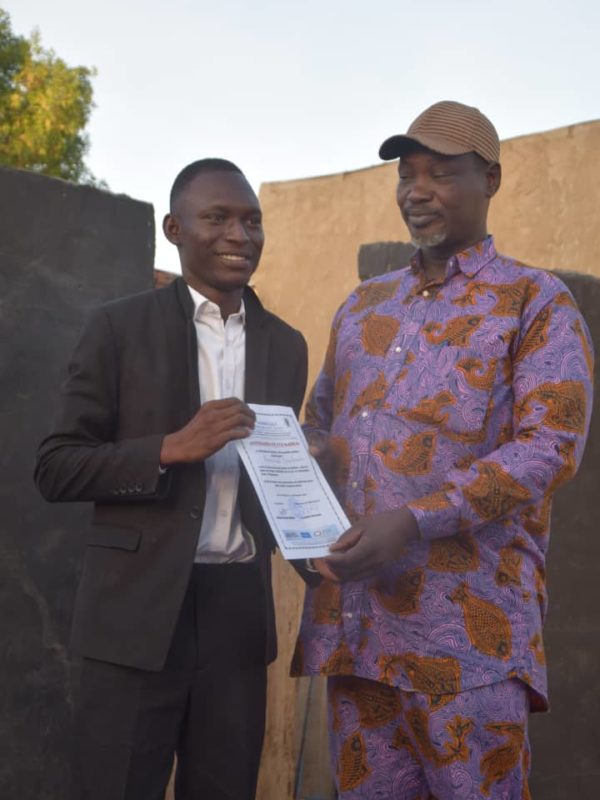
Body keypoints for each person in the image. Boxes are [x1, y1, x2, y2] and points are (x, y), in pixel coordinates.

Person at [292, 101, 594, 799]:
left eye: (440, 173)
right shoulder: (362, 308)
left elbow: (549, 448)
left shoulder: (534, 303)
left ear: (490, 179)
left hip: (467, 645)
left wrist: (413, 518)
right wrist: (300, 505)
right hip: (358, 634)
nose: (415, 190)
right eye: (406, 173)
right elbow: (322, 427)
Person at [35, 158, 312, 800]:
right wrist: (170, 448)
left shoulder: (286, 344)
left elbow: (271, 485)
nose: (239, 236)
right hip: (135, 613)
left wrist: (316, 529)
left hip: (237, 617)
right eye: (217, 218)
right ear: (174, 229)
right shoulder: (117, 328)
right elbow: (56, 465)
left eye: (252, 221)